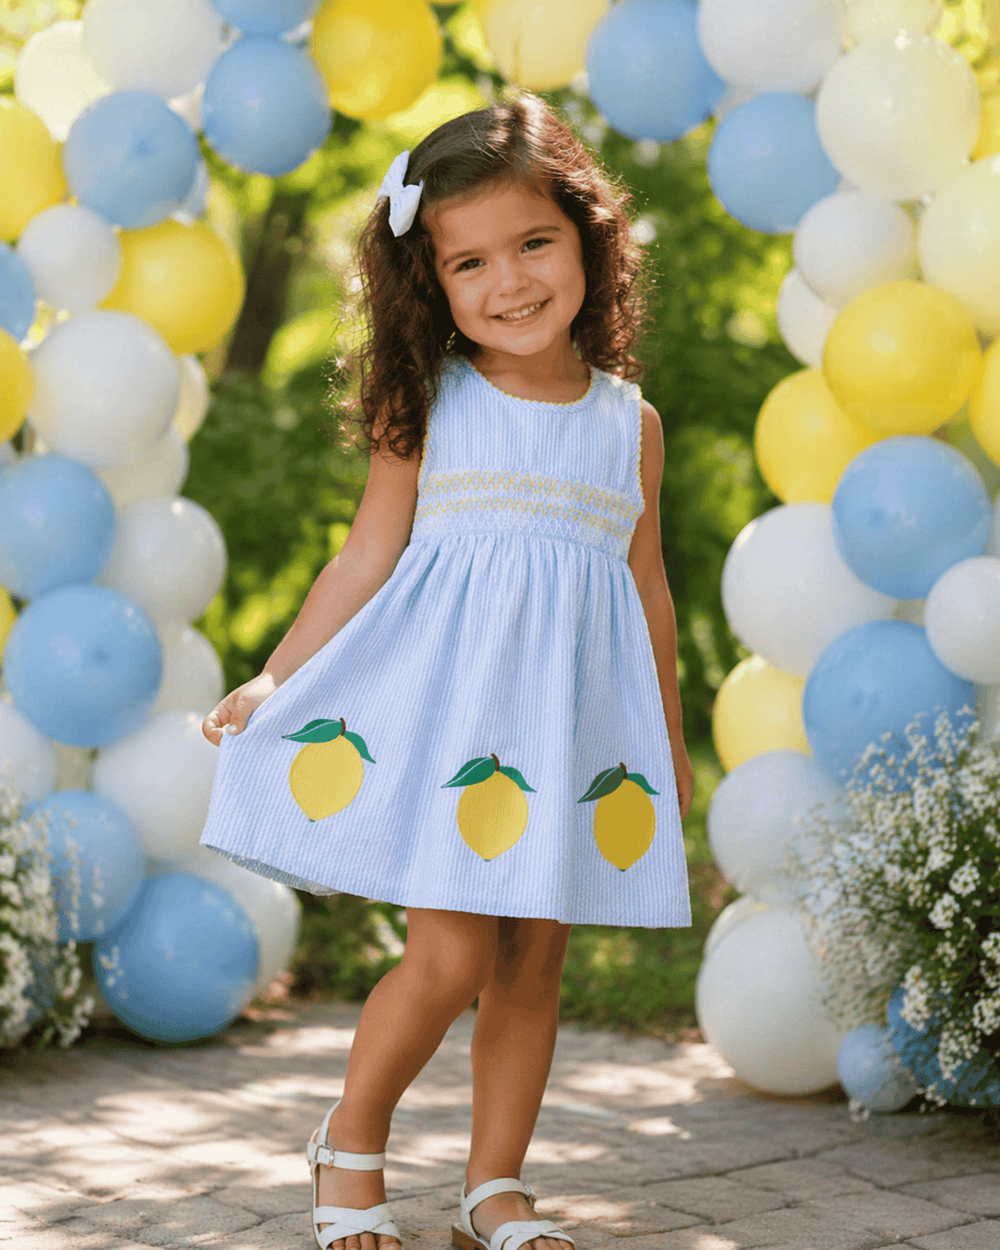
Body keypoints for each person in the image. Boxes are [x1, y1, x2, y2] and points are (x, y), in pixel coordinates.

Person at [200, 91, 694, 1250]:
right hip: (460, 725)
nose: (509, 281)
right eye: (469, 261)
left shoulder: (631, 425)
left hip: (568, 731)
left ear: (589, 240)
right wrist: (278, 679)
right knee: (453, 949)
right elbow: (367, 553)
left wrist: (663, 738)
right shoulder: (434, 402)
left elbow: (647, 586)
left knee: (531, 960)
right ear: (433, 281)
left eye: (534, 243)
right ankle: (352, 1134)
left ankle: (494, 1185)